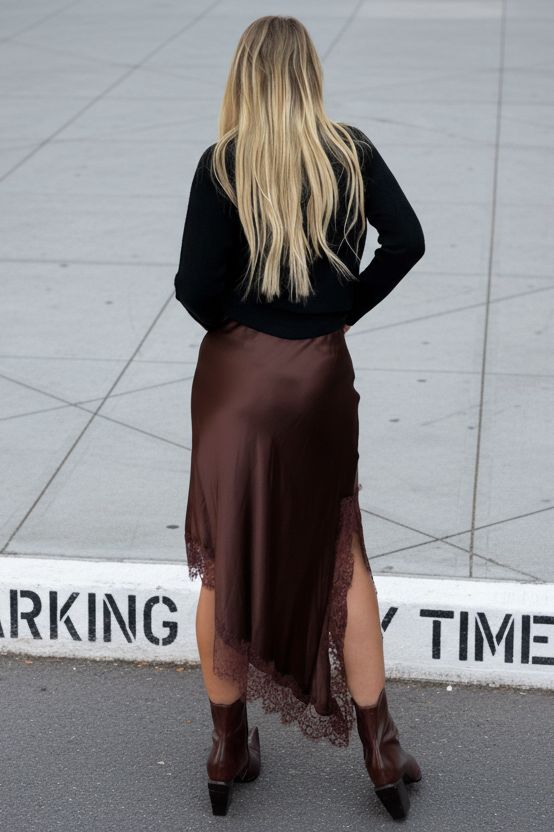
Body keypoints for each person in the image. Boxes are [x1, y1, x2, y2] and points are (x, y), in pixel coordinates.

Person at [174, 14, 425, 821]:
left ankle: (227, 748)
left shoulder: (223, 165)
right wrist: (341, 306)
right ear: (310, 75)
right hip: (319, 374)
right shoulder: (351, 154)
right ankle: (380, 750)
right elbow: (407, 242)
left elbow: (193, 288)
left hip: (235, 379)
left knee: (223, 560)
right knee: (342, 553)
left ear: (243, 79)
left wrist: (241, 324)